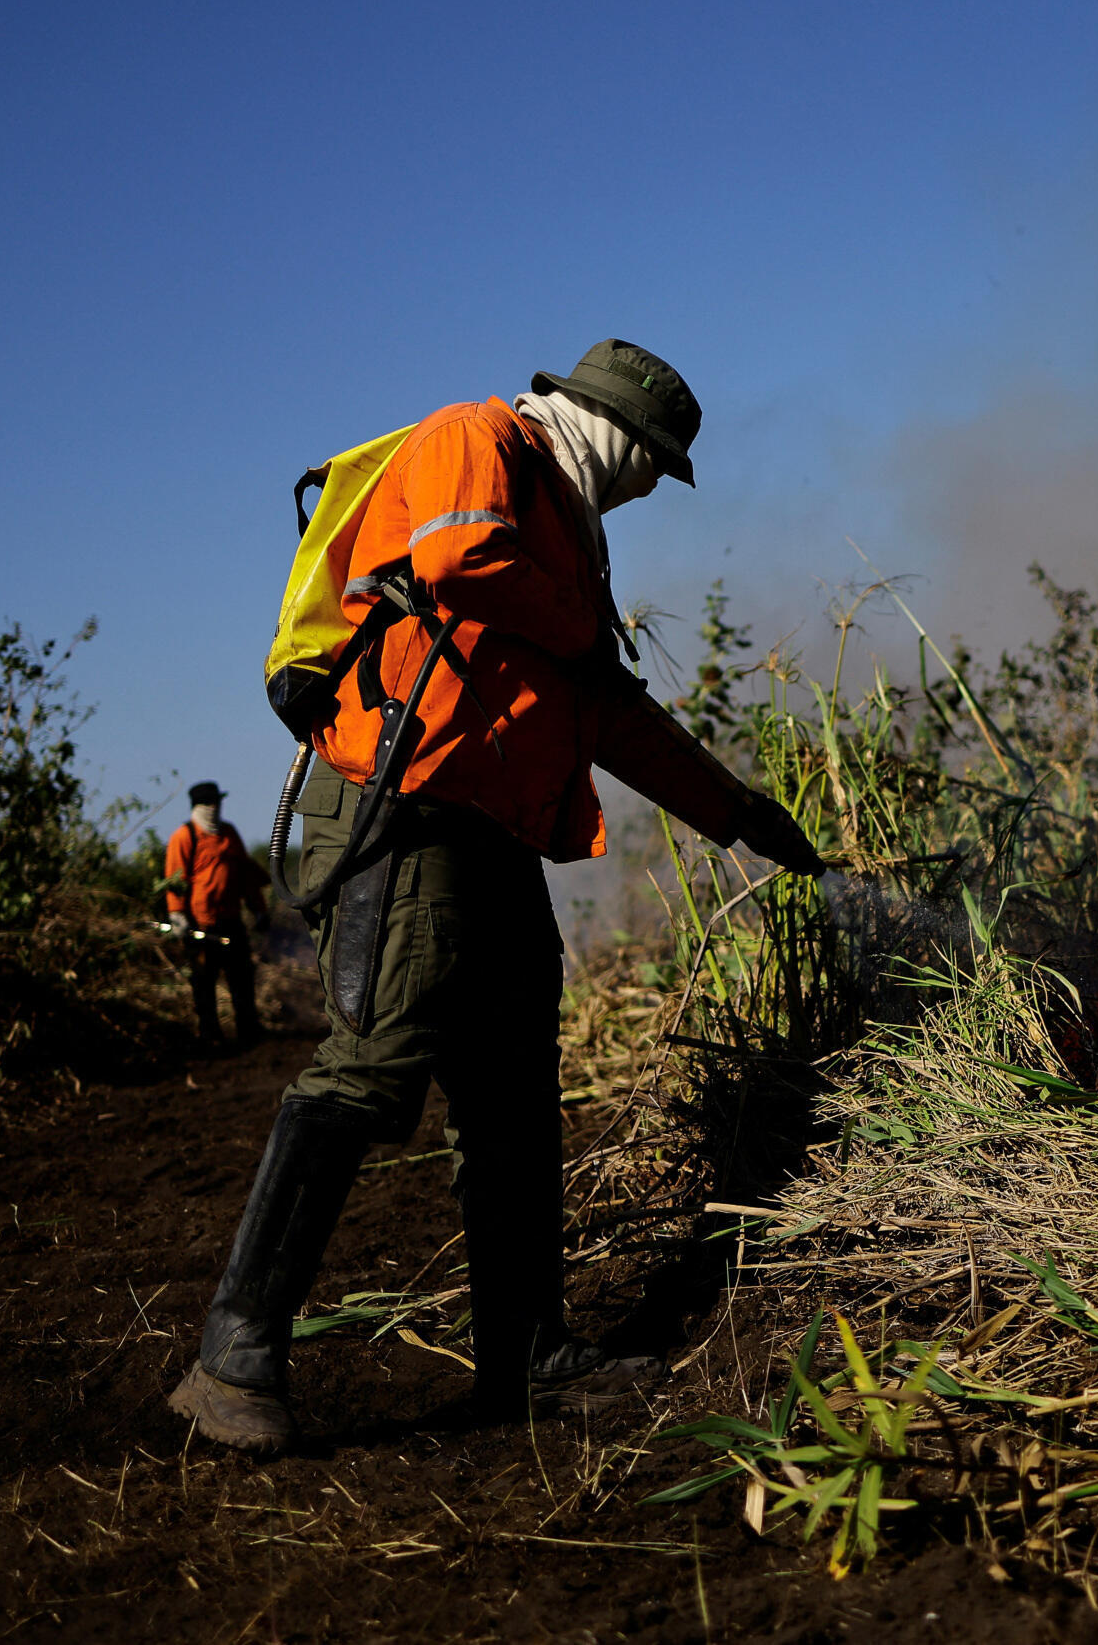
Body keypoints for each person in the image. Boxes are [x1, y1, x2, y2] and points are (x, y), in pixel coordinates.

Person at [169, 341, 825, 1456]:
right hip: (404, 804)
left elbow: (607, 712)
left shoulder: (570, 533)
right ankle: (233, 1354)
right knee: (374, 1063)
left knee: (516, 1091)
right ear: (615, 431)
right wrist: (581, 634)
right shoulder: (478, 441)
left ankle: (524, 1354)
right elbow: (464, 557)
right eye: (656, 462)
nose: (653, 487)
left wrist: (738, 811)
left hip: (491, 830)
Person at [162, 781, 268, 1048]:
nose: (214, 807)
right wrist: (177, 915)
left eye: (217, 802)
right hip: (200, 925)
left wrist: (258, 909)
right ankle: (210, 1037)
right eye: (209, 803)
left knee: (242, 980)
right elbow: (176, 879)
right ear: (198, 807)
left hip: (231, 920)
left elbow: (245, 875)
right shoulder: (184, 836)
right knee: (203, 984)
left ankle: (249, 1033)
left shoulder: (229, 833)